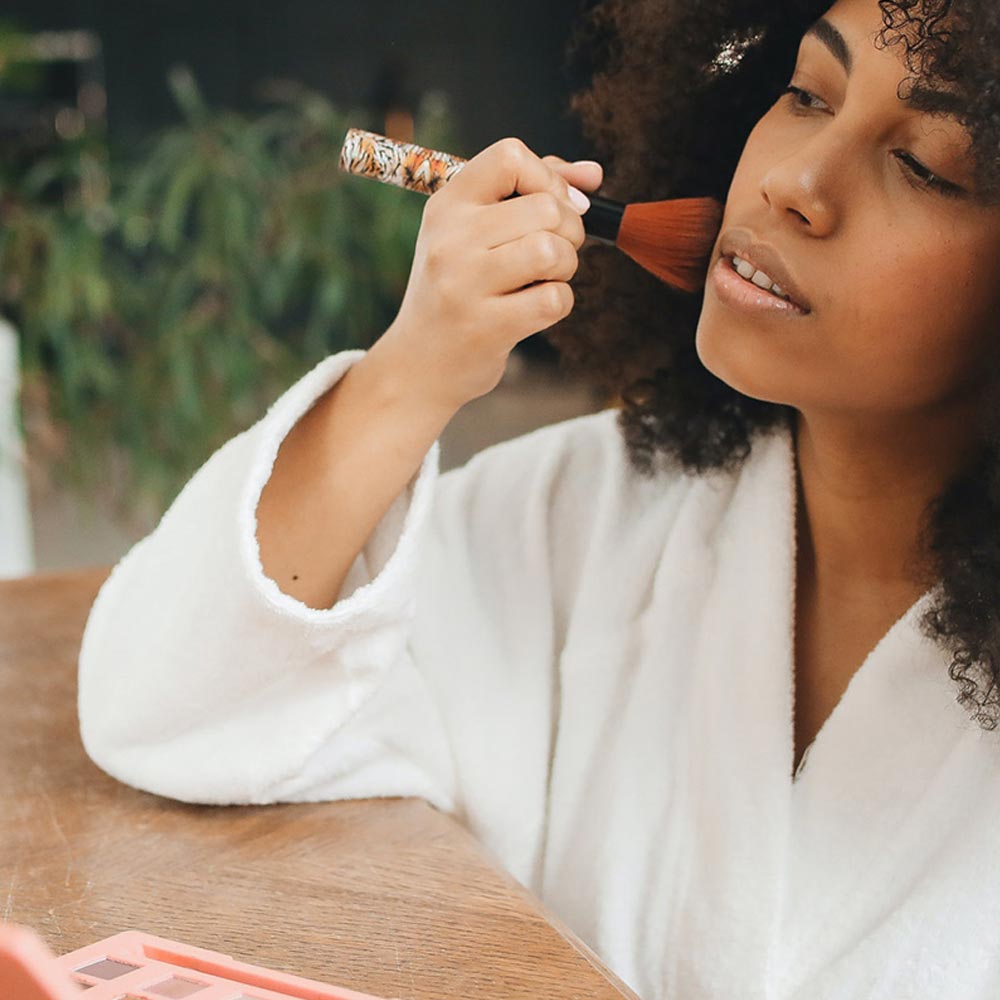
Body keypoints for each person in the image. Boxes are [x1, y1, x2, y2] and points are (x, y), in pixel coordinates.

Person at [77, 0, 1000, 996]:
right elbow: (171, 711)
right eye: (806, 95)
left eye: (925, 167)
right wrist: (412, 372)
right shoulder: (589, 510)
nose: (793, 183)